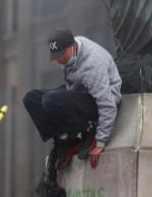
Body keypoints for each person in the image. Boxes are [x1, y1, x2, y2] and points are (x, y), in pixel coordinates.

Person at [23, 28, 122, 170]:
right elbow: (71, 87)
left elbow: (108, 105)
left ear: (72, 46)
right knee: (32, 99)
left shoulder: (92, 64)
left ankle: (87, 130)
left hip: (99, 101)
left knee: (51, 100)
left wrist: (100, 141)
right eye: (56, 56)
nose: (60, 60)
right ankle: (64, 139)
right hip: (80, 92)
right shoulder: (71, 52)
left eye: (62, 55)